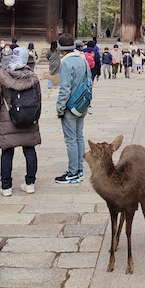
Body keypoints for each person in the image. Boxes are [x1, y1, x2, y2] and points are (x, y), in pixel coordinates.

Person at [0, 47, 42, 196]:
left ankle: (6, 187)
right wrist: (35, 116)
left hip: (7, 118)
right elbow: (39, 99)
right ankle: (30, 183)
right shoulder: (32, 77)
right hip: (29, 117)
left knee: (7, 152)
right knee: (30, 150)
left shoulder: (3, 76)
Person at [55, 33, 91, 184]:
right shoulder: (83, 61)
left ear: (62, 49)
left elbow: (65, 89)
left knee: (71, 140)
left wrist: (60, 107)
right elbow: (90, 82)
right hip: (82, 104)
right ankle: (80, 169)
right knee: (79, 137)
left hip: (70, 106)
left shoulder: (66, 64)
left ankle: (72, 172)